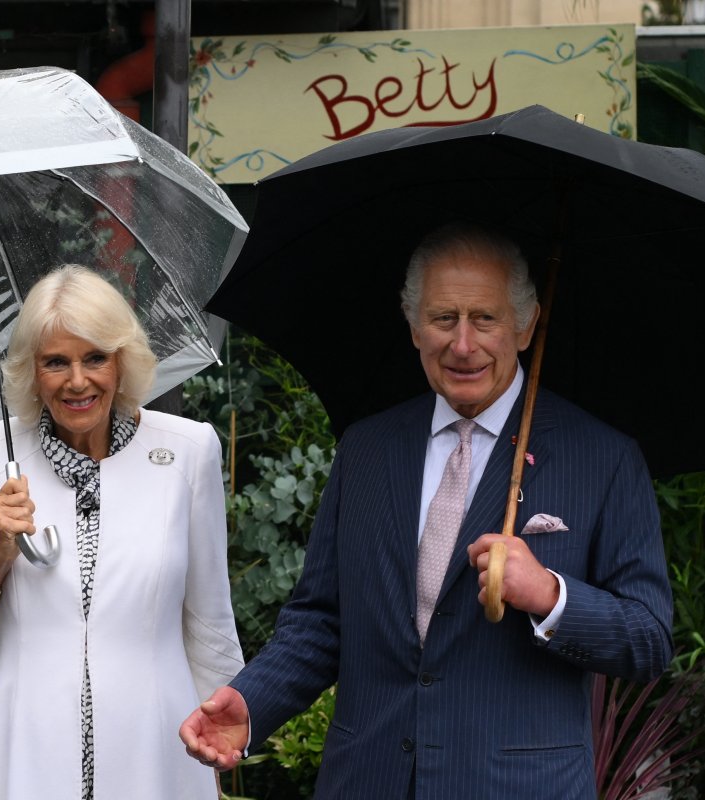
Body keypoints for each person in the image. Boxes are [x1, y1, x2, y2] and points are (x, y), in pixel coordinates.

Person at [180, 223, 673, 799]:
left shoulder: (603, 458)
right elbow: (321, 621)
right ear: (414, 326)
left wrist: (550, 595)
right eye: (444, 319)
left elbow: (648, 638)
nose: (462, 345)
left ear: (526, 324)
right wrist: (250, 701)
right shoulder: (366, 449)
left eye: (484, 319)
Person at [0, 264, 243, 800]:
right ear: (33, 372)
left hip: (158, 743)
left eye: (95, 357)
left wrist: (219, 735)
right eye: (56, 362)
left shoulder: (190, 449)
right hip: (20, 744)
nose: (78, 381)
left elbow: (209, 618)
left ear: (122, 362)